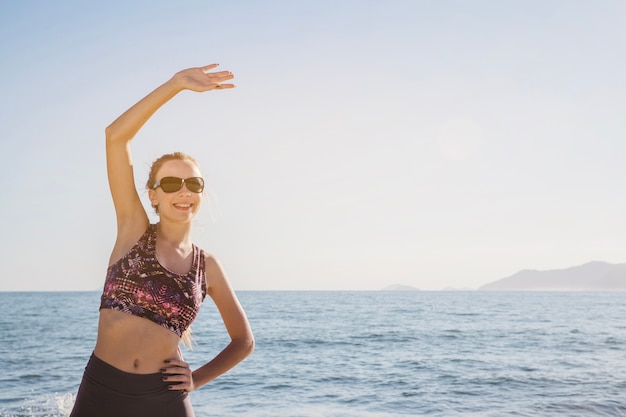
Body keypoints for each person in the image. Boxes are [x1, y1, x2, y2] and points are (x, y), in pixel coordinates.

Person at [69, 64, 255, 417]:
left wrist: (195, 379)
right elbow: (115, 137)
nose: (183, 192)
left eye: (194, 184)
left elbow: (243, 341)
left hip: (164, 399)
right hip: (102, 391)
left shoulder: (207, 266)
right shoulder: (133, 230)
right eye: (171, 184)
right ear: (153, 195)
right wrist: (175, 85)